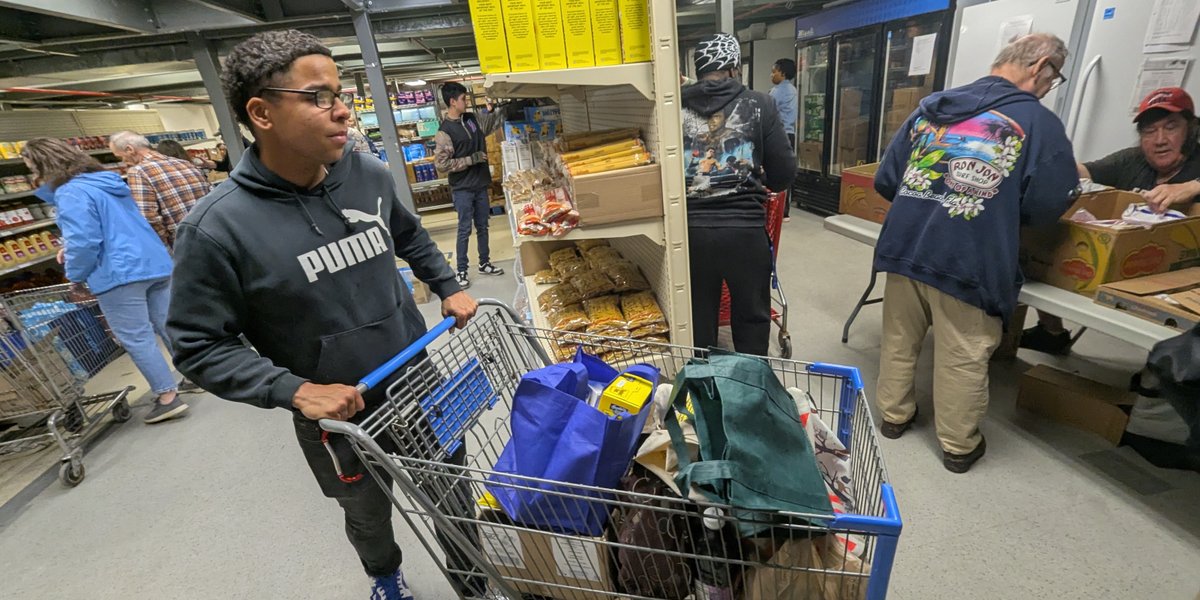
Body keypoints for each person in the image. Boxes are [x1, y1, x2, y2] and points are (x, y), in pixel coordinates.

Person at [165, 30, 482, 600]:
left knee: (453, 492)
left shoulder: (368, 175)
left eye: (341, 93)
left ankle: (476, 586)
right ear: (261, 112)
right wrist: (294, 390)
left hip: (417, 379)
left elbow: (410, 236)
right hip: (338, 412)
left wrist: (447, 283)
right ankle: (385, 578)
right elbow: (198, 345)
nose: (341, 110)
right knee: (367, 511)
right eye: (317, 96)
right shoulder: (217, 229)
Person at [872, 33, 1080, 473]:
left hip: (903, 244)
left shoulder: (933, 107)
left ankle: (893, 417)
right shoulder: (1036, 122)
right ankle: (958, 445)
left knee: (899, 338)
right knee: (963, 351)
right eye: (1053, 78)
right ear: (1040, 65)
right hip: (969, 256)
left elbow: (887, 178)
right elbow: (1048, 203)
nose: (1048, 87)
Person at [22, 138, 190, 424]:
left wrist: (75, 275)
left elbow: (85, 240)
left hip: (119, 272)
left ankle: (167, 396)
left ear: (43, 165)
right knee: (168, 325)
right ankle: (196, 375)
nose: (31, 174)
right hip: (154, 262)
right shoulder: (106, 182)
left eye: (30, 167)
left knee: (137, 338)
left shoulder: (70, 193)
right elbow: (115, 225)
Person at [1022, 87, 1200, 354]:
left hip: (1180, 272)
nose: (1160, 139)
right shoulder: (1133, 159)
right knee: (1049, 237)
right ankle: (1051, 332)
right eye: (1150, 132)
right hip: (1126, 263)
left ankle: (1168, 367)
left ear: (1191, 129)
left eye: (1171, 127)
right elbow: (1084, 171)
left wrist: (1192, 187)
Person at [683, 33, 796, 356]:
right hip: (744, 230)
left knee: (697, 320)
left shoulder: (673, 103)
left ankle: (702, 390)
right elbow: (783, 174)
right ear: (734, 67)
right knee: (750, 317)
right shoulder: (759, 103)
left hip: (689, 232)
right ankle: (750, 389)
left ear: (700, 67)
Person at [434, 82, 505, 289]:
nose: (466, 102)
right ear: (452, 102)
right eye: (463, 99)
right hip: (463, 188)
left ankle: (485, 263)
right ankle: (462, 271)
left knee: (483, 226)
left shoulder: (472, 120)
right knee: (464, 229)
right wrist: (470, 160)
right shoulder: (444, 132)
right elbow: (441, 165)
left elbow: (490, 125)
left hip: (480, 184)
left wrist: (499, 109)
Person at [110, 131, 211, 251]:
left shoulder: (138, 172)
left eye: (120, 156)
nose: (123, 161)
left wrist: (165, 251)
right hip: (211, 235)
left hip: (184, 247)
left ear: (129, 149)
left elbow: (149, 219)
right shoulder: (185, 164)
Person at [769, 57, 798, 220]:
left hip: (779, 135)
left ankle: (777, 210)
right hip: (790, 134)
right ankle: (785, 211)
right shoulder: (793, 90)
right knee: (787, 171)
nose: (771, 75)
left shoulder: (777, 91)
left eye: (774, 72)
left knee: (775, 171)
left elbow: (769, 113)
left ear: (782, 73)